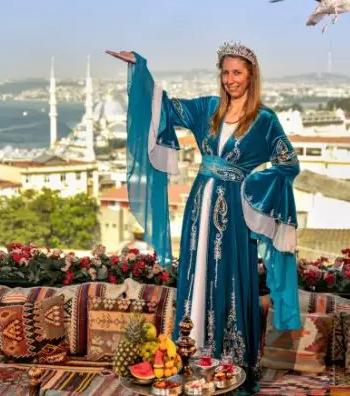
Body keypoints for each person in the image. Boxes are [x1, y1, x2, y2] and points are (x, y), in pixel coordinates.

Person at [106, 42, 301, 393]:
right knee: (196, 271)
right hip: (199, 206)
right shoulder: (207, 109)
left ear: (251, 76)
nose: (230, 80)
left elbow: (289, 165)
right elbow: (164, 107)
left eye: (237, 73)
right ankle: (191, 357)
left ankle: (229, 363)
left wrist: (251, 184)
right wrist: (140, 69)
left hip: (235, 215)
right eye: (225, 73)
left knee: (230, 274)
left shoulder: (266, 121)